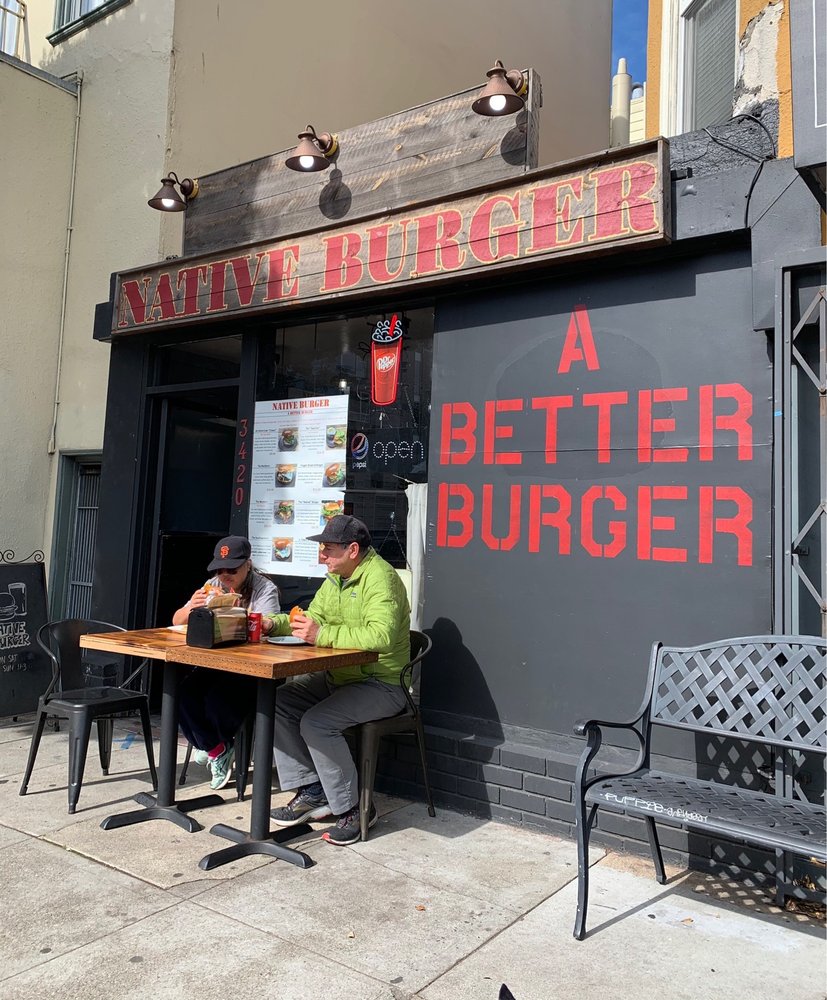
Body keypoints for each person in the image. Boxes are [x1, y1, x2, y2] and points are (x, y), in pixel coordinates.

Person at [263, 514, 410, 846]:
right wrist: (274, 624)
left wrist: (323, 635)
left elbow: (381, 635)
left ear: (353, 550)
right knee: (280, 701)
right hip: (341, 677)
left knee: (317, 723)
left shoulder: (380, 579)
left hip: (382, 684)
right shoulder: (336, 578)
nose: (322, 557)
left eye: (328, 550)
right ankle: (315, 789)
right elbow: (311, 618)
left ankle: (356, 810)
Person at [173, 535, 280, 790]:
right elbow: (177, 619)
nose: (225, 575)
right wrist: (193, 609)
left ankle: (210, 744)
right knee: (181, 693)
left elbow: (268, 627)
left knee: (216, 701)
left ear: (248, 565)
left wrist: (231, 612)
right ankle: (215, 747)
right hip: (216, 662)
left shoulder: (265, 589)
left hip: (251, 668)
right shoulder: (212, 585)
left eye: (231, 569)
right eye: (220, 569)